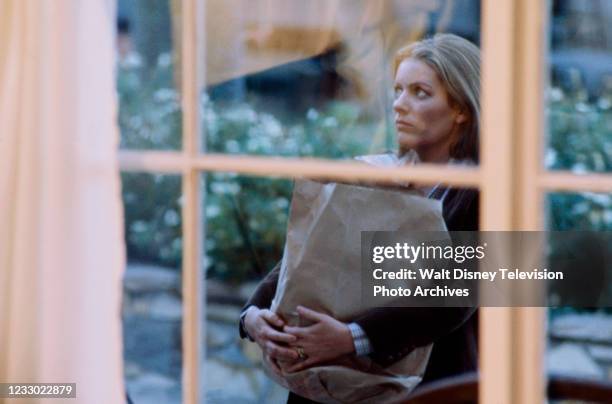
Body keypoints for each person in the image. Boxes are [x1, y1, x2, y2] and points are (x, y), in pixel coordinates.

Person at [239, 33, 480, 403]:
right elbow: (308, 254)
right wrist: (254, 315)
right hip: (326, 383)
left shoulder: (484, 190)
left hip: (424, 385)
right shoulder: (374, 170)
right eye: (398, 90)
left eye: (420, 92)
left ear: (461, 108)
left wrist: (352, 337)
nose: (400, 105)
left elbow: (457, 294)